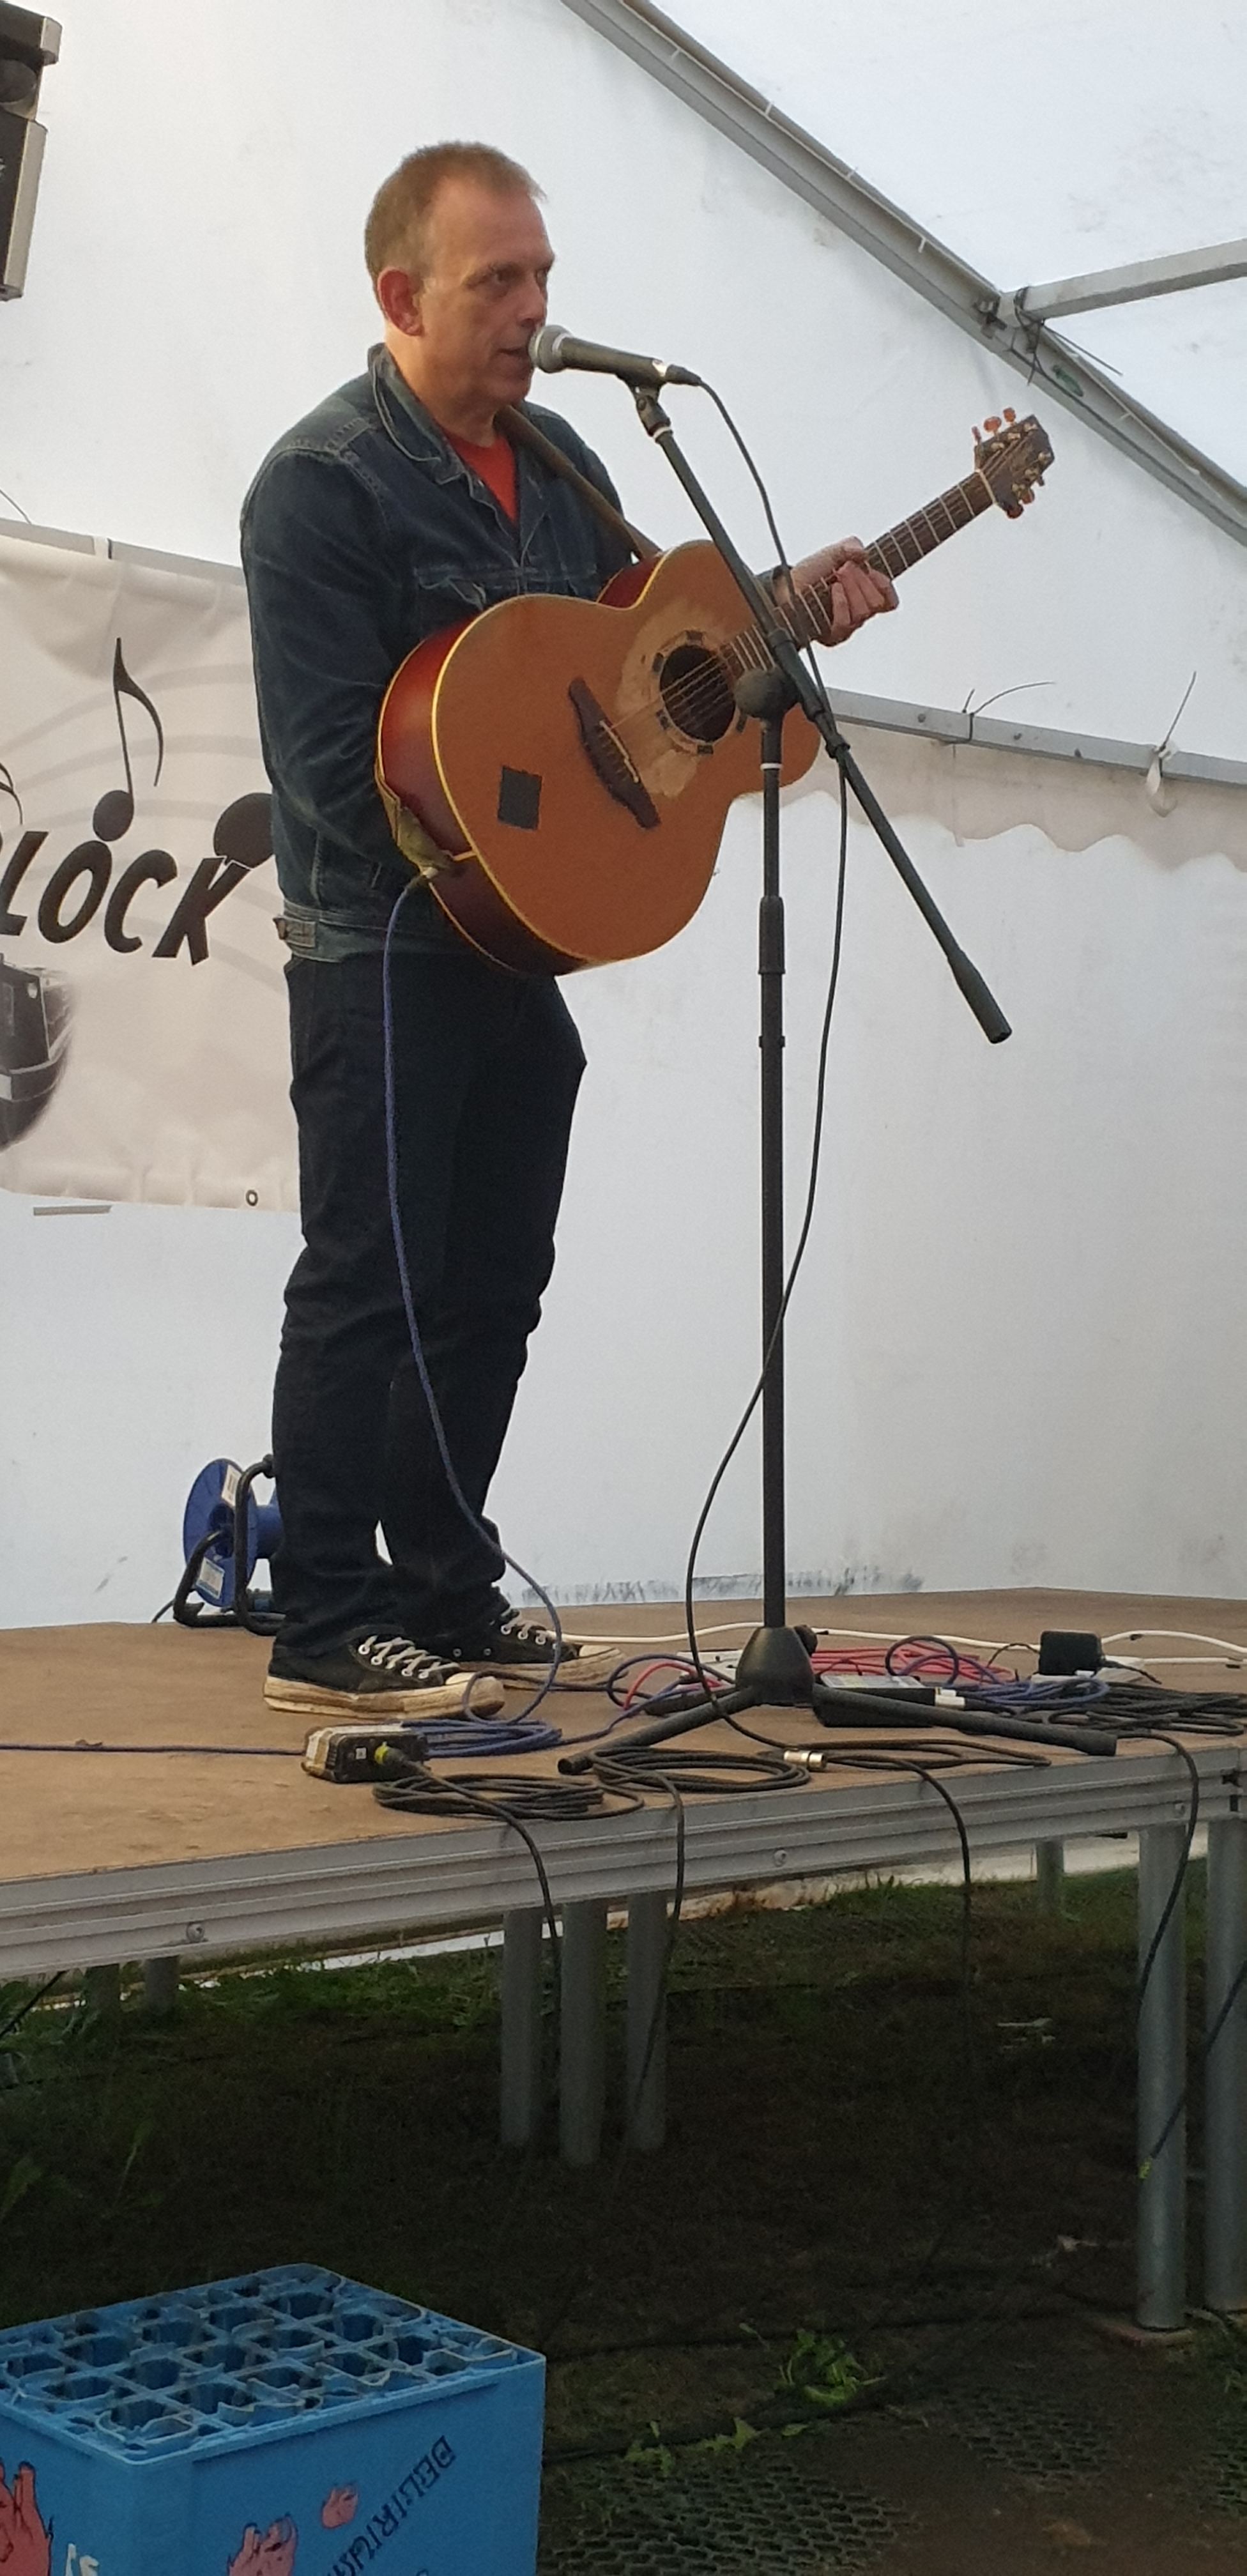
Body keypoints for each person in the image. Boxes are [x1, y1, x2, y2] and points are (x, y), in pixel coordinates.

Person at [240, 141, 895, 1720]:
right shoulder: (321, 485)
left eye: (542, 276)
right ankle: (322, 1617)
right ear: (403, 297)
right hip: (382, 941)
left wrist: (787, 612)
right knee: (367, 1275)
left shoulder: (566, 462)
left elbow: (661, 661)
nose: (534, 308)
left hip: (512, 949)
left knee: (493, 1281)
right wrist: (528, 847)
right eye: (498, 282)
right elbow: (327, 770)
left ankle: (443, 1583)